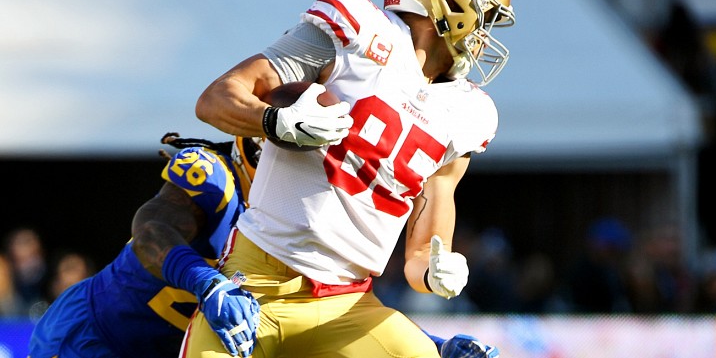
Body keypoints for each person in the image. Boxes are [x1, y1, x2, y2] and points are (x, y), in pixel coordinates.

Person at [185, 0, 514, 358]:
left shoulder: (470, 112)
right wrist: (275, 120)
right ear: (447, 4)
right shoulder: (358, 30)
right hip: (254, 287)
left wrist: (435, 272)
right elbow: (216, 99)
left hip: (347, 306)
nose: (484, 34)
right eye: (484, 16)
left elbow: (421, 252)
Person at [27, 134, 498, 358]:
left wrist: (432, 346)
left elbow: (335, 306)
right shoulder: (212, 175)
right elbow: (150, 229)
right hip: (95, 336)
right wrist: (205, 281)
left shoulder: (316, 215)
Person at [28, 134, 262, 358]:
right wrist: (205, 281)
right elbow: (151, 230)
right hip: (100, 337)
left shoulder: (289, 213)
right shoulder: (218, 178)